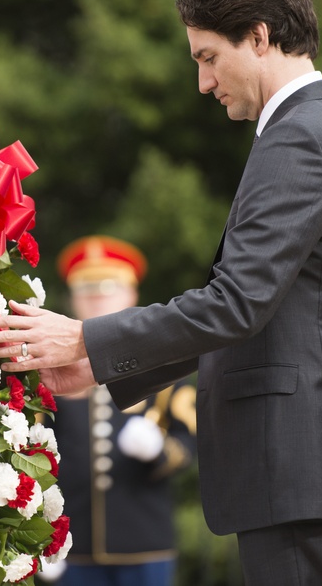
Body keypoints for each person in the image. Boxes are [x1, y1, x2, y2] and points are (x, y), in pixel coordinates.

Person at [0, 0, 322, 586]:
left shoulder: (298, 139)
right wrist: (98, 365)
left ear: (259, 37)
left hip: (299, 463)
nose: (204, 83)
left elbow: (235, 304)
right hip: (306, 465)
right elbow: (253, 313)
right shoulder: (312, 129)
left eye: (208, 57)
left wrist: (85, 338)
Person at [39, 235, 196, 586]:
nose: (97, 297)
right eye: (87, 288)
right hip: (71, 546)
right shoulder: (50, 370)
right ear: (73, 297)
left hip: (143, 543)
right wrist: (38, 537)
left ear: (132, 295)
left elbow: (189, 446)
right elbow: (33, 452)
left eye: (108, 288)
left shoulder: (165, 368)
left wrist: (160, 450)